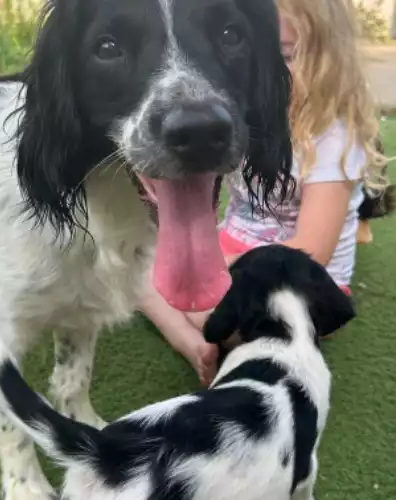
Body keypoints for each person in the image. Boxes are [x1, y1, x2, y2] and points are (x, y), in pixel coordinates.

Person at [140, 0, 390, 387]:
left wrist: (222, 264)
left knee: (232, 309)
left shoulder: (332, 137)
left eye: (287, 56)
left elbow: (312, 250)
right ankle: (192, 345)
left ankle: (216, 332)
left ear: (331, 61)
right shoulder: (244, 118)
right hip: (233, 245)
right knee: (138, 271)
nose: (266, 73)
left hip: (299, 276)